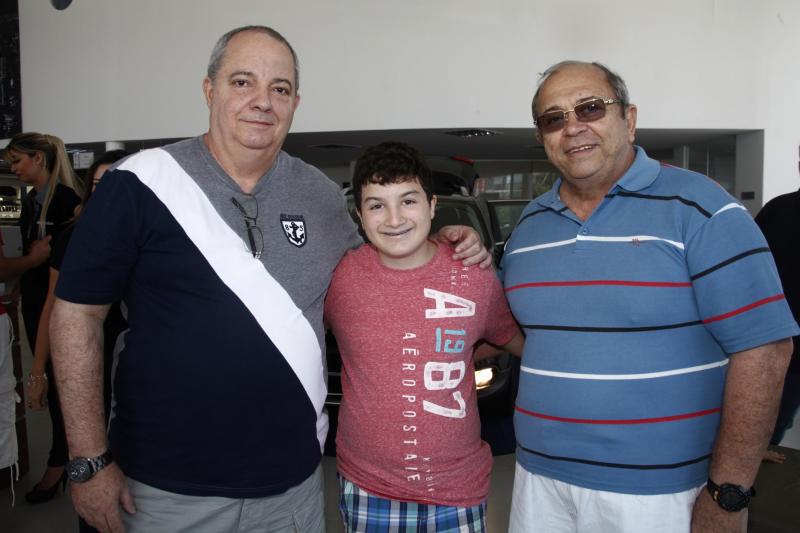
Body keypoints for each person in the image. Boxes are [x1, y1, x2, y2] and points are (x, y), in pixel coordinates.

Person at [49, 26, 488, 533]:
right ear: (209, 89)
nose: (262, 101)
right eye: (242, 82)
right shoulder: (140, 181)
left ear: (295, 103)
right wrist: (88, 459)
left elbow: (383, 264)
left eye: (279, 88)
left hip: (292, 487)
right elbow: (76, 315)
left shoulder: (321, 196)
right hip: (164, 489)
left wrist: (445, 243)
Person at [500, 60, 799, 533]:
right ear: (542, 137)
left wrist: (728, 494)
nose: (572, 127)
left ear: (630, 118)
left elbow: (766, 351)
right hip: (538, 480)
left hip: (661, 492)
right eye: (553, 118)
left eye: (590, 108)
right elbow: (521, 333)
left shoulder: (703, 208)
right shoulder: (530, 225)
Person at [325, 142, 524, 532]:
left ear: (432, 206)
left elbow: (511, 339)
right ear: (359, 215)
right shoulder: (341, 277)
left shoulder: (472, 272)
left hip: (458, 490)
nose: (394, 218)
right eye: (377, 205)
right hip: (369, 488)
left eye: (408, 200)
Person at [3, 132, 82, 504]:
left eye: (18, 161)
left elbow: (58, 270)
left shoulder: (66, 202)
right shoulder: (32, 202)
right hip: (35, 305)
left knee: (61, 388)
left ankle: (60, 462)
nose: (13, 169)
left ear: (39, 158)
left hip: (58, 307)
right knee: (54, 390)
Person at [755, 156, 800, 457]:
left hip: (778, 339)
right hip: (779, 340)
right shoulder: (779, 210)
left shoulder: (778, 209)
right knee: (771, 421)